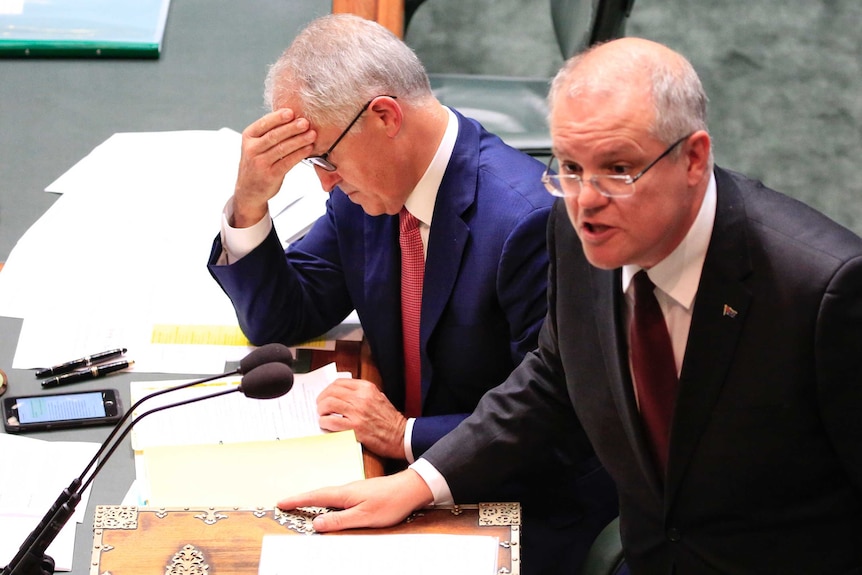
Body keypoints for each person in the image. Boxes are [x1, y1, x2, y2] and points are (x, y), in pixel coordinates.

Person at [278, 36, 862, 574]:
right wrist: (417, 483)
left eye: (619, 169)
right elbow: (554, 379)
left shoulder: (826, 290)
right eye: (572, 168)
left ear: (693, 159)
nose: (587, 203)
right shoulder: (574, 225)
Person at [207, 13, 616, 575]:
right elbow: (281, 318)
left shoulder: (527, 224)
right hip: (402, 482)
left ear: (384, 116)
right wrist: (250, 202)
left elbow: (561, 421)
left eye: (323, 158)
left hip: (522, 505)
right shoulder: (369, 192)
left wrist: (405, 436)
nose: (322, 181)